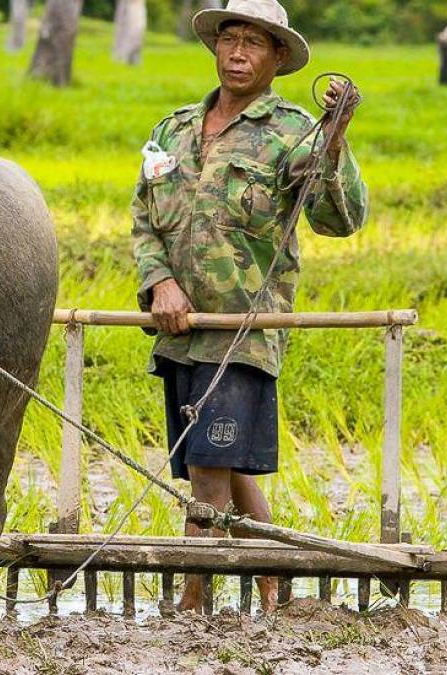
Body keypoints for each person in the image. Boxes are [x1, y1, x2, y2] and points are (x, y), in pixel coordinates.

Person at [130, 0, 368, 612]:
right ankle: (278, 587)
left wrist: (334, 139)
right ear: (214, 46)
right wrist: (160, 283)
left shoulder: (293, 132)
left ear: (278, 58)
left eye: (254, 44)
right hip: (178, 327)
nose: (237, 52)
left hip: (243, 327)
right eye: (229, 39)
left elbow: (338, 220)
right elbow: (143, 220)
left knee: (211, 468)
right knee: (223, 467)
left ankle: (192, 597)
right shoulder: (172, 129)